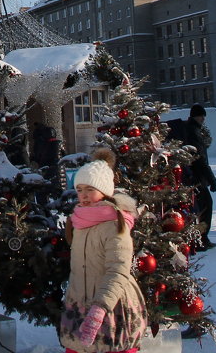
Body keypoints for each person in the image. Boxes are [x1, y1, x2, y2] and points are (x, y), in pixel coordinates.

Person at [58, 149, 148, 353]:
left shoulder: (115, 224)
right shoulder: (79, 220)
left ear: (104, 190)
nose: (83, 195)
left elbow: (118, 271)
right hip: (80, 311)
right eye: (79, 189)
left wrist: (99, 310)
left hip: (111, 311)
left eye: (90, 189)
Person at [171, 105, 216, 250]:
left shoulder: (190, 130)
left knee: (197, 208)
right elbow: (199, 159)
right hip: (196, 177)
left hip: (191, 176)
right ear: (194, 116)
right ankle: (201, 238)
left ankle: (198, 238)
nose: (203, 118)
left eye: (203, 116)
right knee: (205, 206)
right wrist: (211, 178)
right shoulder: (193, 132)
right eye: (200, 116)